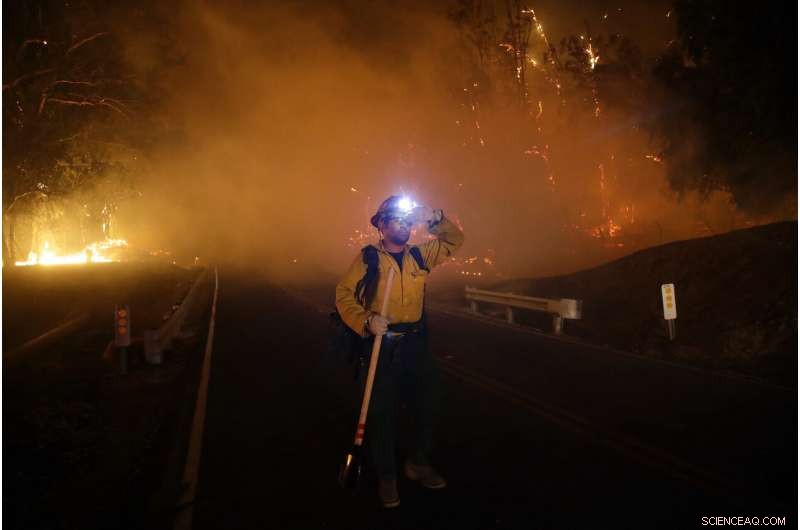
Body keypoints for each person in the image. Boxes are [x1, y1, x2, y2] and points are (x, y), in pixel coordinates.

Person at [335, 195, 464, 508]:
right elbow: (343, 295)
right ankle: (387, 475)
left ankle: (417, 463)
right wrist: (366, 319)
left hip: (415, 345)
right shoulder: (369, 258)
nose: (404, 226)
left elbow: (455, 239)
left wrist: (434, 217)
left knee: (427, 404)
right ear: (382, 225)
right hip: (382, 345)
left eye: (407, 221)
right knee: (382, 413)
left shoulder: (420, 256)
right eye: (396, 220)